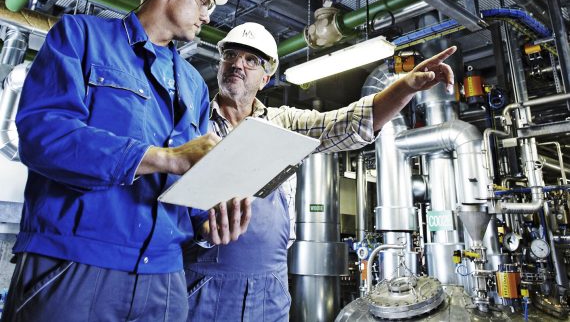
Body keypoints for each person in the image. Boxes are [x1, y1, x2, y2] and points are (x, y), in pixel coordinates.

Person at [2, 0, 251, 322]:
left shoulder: (193, 85)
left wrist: (207, 221)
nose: (207, 15)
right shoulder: (80, 37)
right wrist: (165, 158)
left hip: (165, 277)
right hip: (74, 262)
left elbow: (190, 180)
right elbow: (44, 136)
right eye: (204, 1)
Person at [184, 21, 457, 321]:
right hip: (206, 288)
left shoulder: (282, 123)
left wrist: (405, 87)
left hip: (270, 290)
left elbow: (349, 123)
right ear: (220, 64)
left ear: (265, 78)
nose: (238, 64)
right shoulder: (192, 124)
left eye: (251, 60)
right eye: (231, 55)